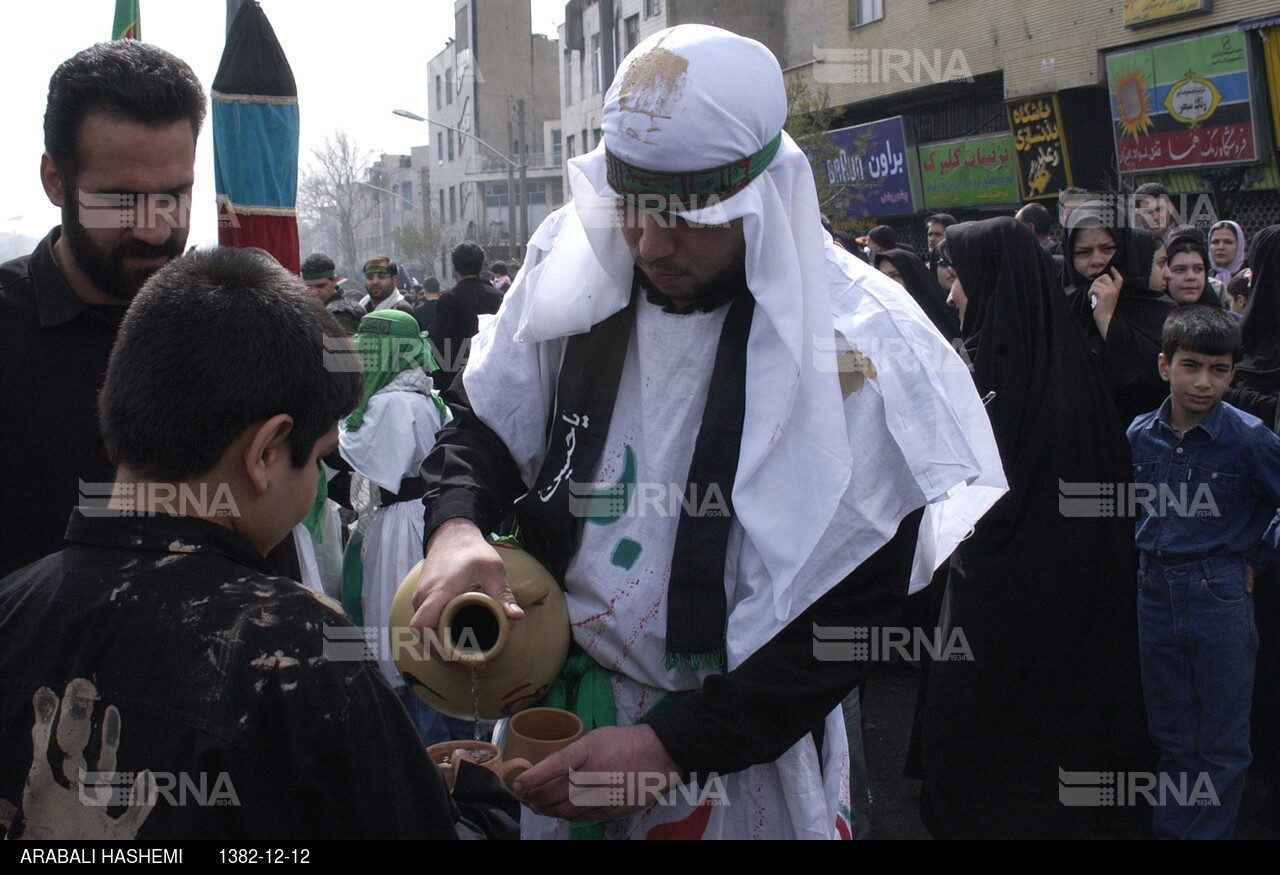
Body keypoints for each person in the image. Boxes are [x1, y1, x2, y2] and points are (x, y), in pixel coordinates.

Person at [408, 24, 1004, 840]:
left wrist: (670, 746)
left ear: (756, 200)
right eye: (634, 211)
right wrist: (457, 528)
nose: (651, 245)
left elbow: (867, 611)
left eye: (688, 218)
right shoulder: (574, 261)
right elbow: (484, 427)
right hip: (557, 720)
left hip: (733, 761)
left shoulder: (856, 343)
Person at [0, 247, 518, 840]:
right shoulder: (299, 652)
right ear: (266, 452)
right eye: (319, 461)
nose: (313, 487)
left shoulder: (12, 609)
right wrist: (486, 797)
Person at [920, 216, 1139, 839]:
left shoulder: (1012, 376)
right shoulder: (1047, 360)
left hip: (1007, 600)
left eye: (962, 279)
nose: (953, 294)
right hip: (1048, 603)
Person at [0, 41, 204, 579]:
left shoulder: (222, 327)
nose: (154, 228)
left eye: (174, 196)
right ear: (55, 181)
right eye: (121, 201)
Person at [1129, 304, 1280, 839]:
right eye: (1191, 366)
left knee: (1221, 741)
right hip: (1153, 591)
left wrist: (1257, 558)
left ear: (1234, 373)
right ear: (1165, 364)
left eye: (1219, 370)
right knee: (1172, 734)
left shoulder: (1249, 436)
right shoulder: (1140, 434)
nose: (1204, 382)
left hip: (1218, 592)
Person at [336, 309, 460, 744]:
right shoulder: (426, 396)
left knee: (399, 629)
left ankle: (423, 743)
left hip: (401, 526)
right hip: (428, 519)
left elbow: (354, 449)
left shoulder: (391, 403)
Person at [1063, 204, 1174, 423]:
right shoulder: (1060, 311)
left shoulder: (1162, 313)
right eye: (1083, 252)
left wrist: (1107, 321)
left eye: (1107, 249)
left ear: (1124, 248)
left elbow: (1163, 380)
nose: (1097, 261)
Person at [433, 241, 502, 388]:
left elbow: (445, 346)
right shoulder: (499, 297)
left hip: (460, 382)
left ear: (454, 267)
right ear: (481, 266)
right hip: (493, 377)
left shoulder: (449, 299)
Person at [874, 248, 961, 342]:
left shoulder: (936, 315)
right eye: (881, 275)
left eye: (895, 275)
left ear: (911, 277)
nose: (887, 281)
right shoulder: (877, 317)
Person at [1209, 220, 1247, 288]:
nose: (1220, 247)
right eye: (1215, 242)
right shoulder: (1204, 278)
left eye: (1228, 242)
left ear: (1239, 246)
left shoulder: (1249, 278)